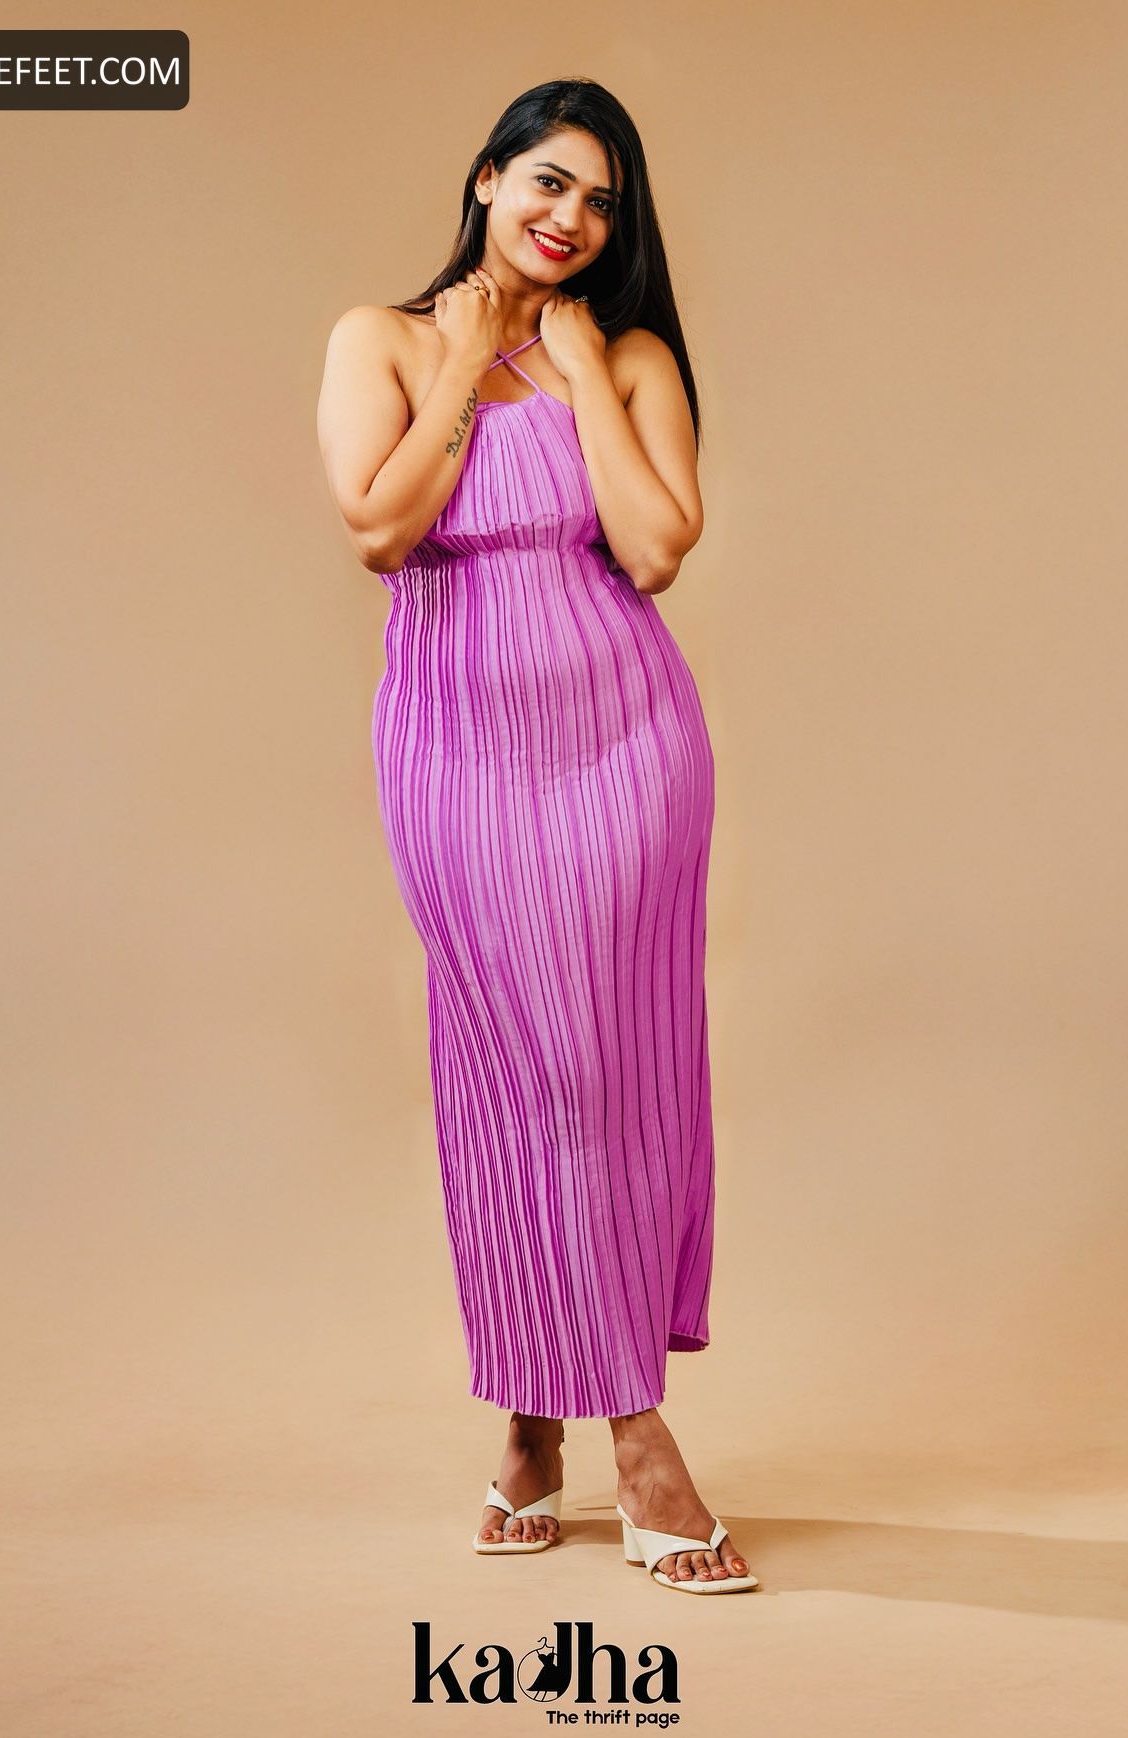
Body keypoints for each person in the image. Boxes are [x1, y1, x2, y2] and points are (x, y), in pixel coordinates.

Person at [317, 78, 756, 1594]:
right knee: (514, 1068)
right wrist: (466, 357)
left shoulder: (623, 356)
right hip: (456, 754)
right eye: (549, 182)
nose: (571, 217)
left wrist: (574, 372)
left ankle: (608, 1429)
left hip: (629, 750)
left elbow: (657, 545)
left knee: (613, 1071)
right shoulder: (380, 341)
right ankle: (549, 1405)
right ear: (488, 178)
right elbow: (380, 527)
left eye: (601, 201)